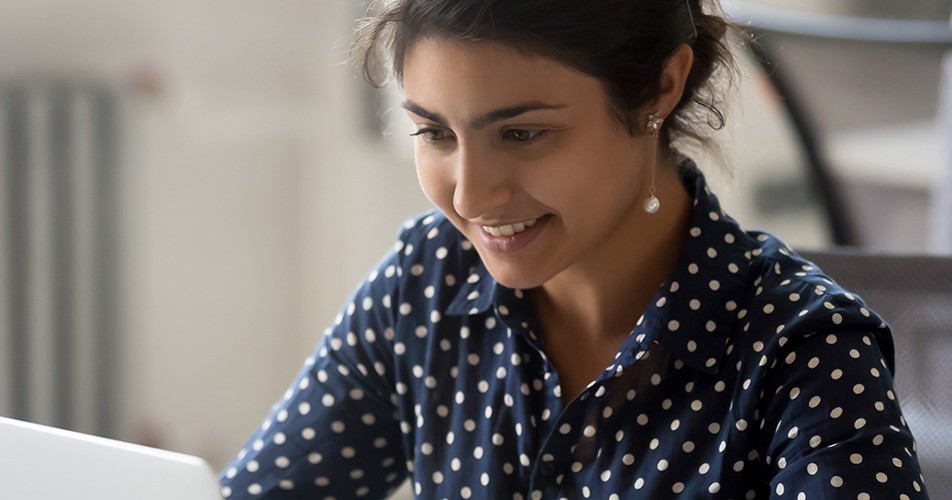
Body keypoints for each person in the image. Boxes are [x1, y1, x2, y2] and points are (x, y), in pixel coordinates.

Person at [219, 0, 929, 498]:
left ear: (662, 86)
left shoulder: (804, 350)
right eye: (435, 134)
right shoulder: (428, 279)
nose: (470, 197)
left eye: (523, 134)